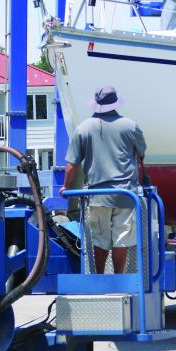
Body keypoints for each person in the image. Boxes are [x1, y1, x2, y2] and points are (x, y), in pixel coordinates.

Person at [60, 85, 146, 274]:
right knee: (122, 238)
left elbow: (71, 164)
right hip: (125, 194)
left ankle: (100, 278)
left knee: (100, 238)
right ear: (116, 103)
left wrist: (65, 187)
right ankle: (118, 278)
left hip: (97, 194)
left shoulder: (83, 128)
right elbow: (141, 155)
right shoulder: (131, 126)